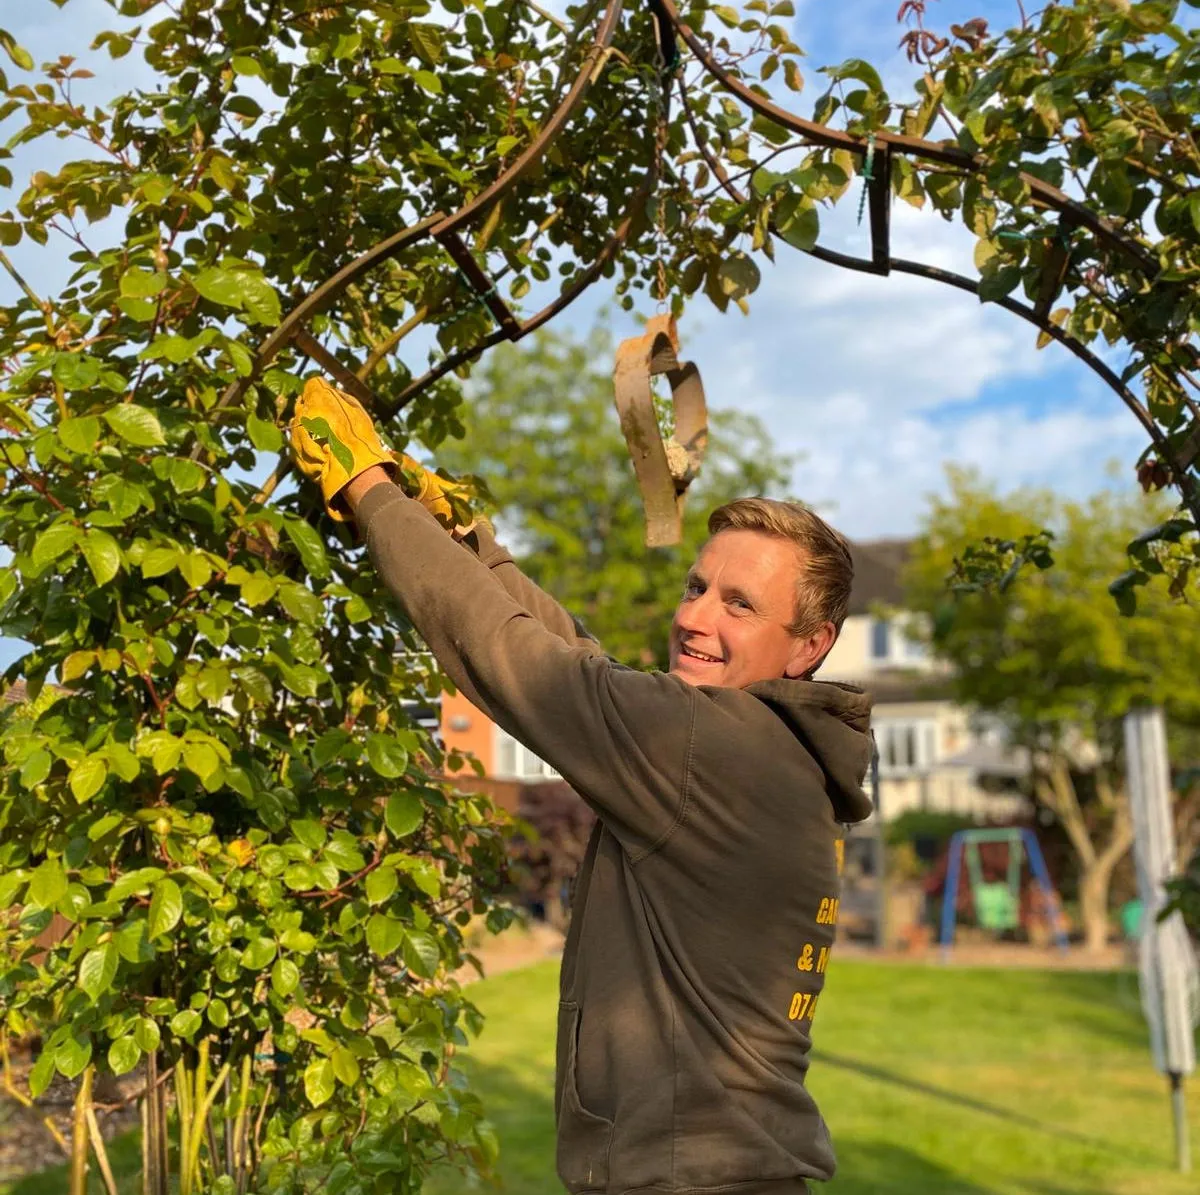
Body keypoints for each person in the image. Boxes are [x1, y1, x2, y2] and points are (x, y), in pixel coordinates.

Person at [290, 377, 874, 1195]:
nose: (697, 617)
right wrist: (472, 543)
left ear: (809, 644)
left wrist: (368, 489)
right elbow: (584, 668)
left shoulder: (722, 746)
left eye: (739, 604)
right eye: (695, 587)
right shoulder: (774, 752)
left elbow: (523, 667)